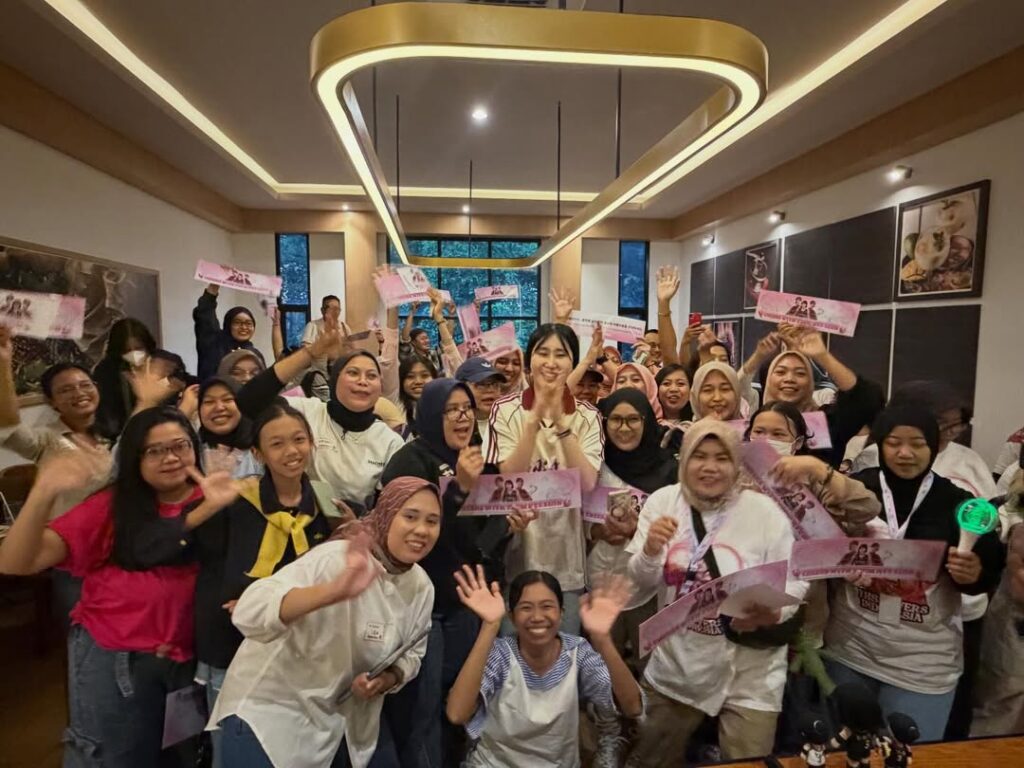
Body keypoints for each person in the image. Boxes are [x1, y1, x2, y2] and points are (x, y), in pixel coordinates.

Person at [0, 407, 240, 768]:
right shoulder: (111, 506)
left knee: (181, 757)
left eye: (180, 445)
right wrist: (44, 490)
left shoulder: (214, 496)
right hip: (118, 659)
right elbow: (15, 562)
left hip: (188, 664)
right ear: (134, 458)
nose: (171, 457)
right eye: (155, 450)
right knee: (113, 758)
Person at [208, 477, 441, 768]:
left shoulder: (421, 586)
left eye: (432, 521)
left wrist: (386, 679)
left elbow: (412, 653)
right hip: (270, 716)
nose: (422, 530)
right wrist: (332, 592)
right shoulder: (338, 559)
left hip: (336, 726)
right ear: (386, 514)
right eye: (410, 517)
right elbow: (249, 611)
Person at [624, 420, 809, 764]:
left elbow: (795, 580)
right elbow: (641, 583)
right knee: (652, 759)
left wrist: (774, 611)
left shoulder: (765, 512)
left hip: (752, 673)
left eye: (722, 458)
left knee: (748, 762)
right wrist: (650, 551)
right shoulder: (664, 503)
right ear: (684, 459)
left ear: (737, 464)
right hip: (679, 667)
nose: (710, 467)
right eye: (700, 456)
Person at [823, 405, 1004, 741]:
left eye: (917, 444)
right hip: (849, 651)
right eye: (894, 443)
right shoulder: (857, 490)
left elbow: (987, 573)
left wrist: (972, 574)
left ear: (934, 446)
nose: (905, 453)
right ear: (879, 445)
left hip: (922, 665)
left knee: (909, 756)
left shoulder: (956, 502)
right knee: (845, 753)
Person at [194, 401, 335, 765]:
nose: (292, 451)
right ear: (257, 454)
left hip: (299, 651)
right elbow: (209, 566)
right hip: (235, 643)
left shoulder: (326, 501)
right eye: (277, 444)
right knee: (233, 749)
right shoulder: (236, 500)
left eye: (299, 439)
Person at [378, 378, 509, 767]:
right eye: (451, 410)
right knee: (423, 707)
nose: (462, 417)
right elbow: (415, 539)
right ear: (432, 414)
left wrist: (507, 526)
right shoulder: (409, 461)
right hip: (424, 605)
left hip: (466, 602)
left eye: (466, 408)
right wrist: (458, 491)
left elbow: (478, 537)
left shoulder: (476, 458)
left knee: (461, 701)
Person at [446, 568, 643, 768]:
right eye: (526, 608)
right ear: (512, 617)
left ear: (561, 613)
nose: (537, 616)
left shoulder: (578, 652)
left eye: (547, 606)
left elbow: (632, 706)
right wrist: (490, 626)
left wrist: (602, 639)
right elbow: (457, 713)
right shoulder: (501, 653)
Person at [487, 323, 603, 633]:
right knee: (512, 652)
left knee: (565, 652)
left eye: (561, 355)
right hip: (518, 556)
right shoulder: (505, 409)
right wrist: (533, 421)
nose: (551, 363)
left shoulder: (588, 416)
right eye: (543, 353)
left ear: (573, 362)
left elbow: (587, 483)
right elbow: (509, 477)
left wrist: (562, 424)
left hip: (567, 560)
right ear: (530, 361)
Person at [235, 331, 404, 515]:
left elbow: (387, 511)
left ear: (380, 386)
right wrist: (310, 353)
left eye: (371, 376)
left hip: (350, 527)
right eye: (353, 373)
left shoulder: (390, 442)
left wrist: (355, 525)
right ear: (335, 379)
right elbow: (249, 401)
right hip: (289, 519)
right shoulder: (306, 412)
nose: (363, 381)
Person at [590, 388, 679, 671]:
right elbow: (576, 520)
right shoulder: (593, 463)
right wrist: (597, 533)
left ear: (646, 421)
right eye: (616, 420)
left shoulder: (668, 469)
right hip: (599, 582)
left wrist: (634, 533)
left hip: (647, 589)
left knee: (649, 667)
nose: (624, 428)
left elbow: (677, 528)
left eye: (632, 420)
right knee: (605, 668)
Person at [742, 326, 884, 467]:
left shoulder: (826, 424)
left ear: (811, 381)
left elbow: (868, 399)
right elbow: (735, 389)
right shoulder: (755, 419)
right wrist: (757, 356)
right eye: (781, 372)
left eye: (800, 373)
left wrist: (822, 356)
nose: (789, 379)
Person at [91, 317, 158, 437]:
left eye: (139, 348)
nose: (134, 354)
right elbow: (108, 419)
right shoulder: (106, 372)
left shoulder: (162, 363)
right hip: (124, 434)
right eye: (127, 350)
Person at [193, 283, 266, 382]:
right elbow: (205, 315)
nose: (244, 327)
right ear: (228, 325)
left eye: (248, 323)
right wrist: (213, 288)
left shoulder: (256, 355)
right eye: (237, 322)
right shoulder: (214, 344)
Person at [195, 377, 261, 479]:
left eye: (228, 399)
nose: (219, 407)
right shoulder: (192, 451)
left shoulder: (261, 445)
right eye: (209, 402)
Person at [455, 357, 508, 457]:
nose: (490, 390)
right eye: (481, 384)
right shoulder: (454, 429)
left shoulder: (510, 420)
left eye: (495, 384)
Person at [302, 295, 354, 375]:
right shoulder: (312, 326)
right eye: (331, 308)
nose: (335, 312)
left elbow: (351, 349)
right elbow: (305, 351)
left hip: (340, 372)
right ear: (322, 310)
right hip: (319, 374)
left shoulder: (345, 327)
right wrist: (323, 347)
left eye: (337, 309)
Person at [396, 355, 438, 441]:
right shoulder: (396, 405)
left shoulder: (444, 407)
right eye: (410, 376)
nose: (418, 381)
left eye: (424, 375)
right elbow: (388, 364)